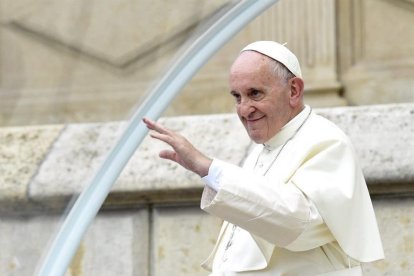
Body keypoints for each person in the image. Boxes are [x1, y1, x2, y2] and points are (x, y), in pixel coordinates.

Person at [143, 41, 384, 275]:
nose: (244, 109)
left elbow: (298, 223)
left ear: (293, 90)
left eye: (254, 93)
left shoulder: (327, 142)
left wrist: (209, 168)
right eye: (237, 97)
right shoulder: (263, 148)